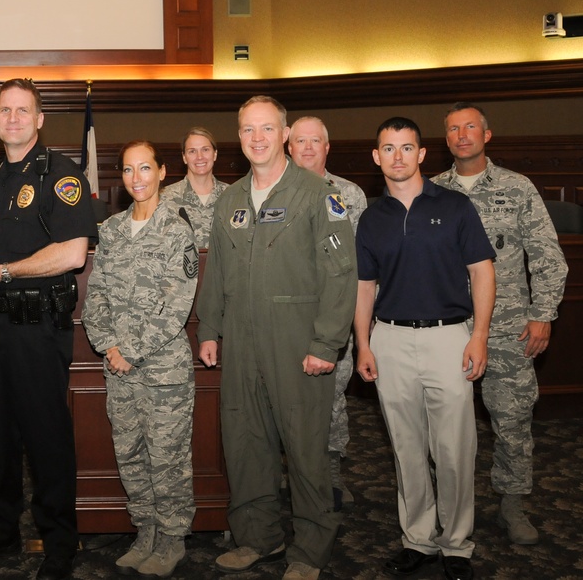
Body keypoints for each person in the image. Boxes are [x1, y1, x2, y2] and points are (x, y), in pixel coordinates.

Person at [196, 95, 357, 580]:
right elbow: (217, 273)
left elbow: (341, 273)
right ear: (239, 137)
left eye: (267, 129)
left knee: (306, 449)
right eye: (248, 130)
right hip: (241, 345)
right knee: (245, 444)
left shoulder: (317, 195)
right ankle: (257, 538)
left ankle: (310, 548)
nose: (258, 138)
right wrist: (210, 328)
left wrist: (326, 344)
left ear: (285, 134)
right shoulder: (229, 200)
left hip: (297, 344)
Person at [0, 78, 97, 580]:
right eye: (5, 111)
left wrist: (8, 271)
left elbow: (72, 252)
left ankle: (60, 539)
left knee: (45, 435)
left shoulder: (61, 175)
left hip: (38, 326)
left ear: (39, 120)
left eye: (23, 111)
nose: (13, 118)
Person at [354, 117, 495, 580]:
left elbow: (482, 273)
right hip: (389, 339)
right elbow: (364, 287)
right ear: (377, 157)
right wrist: (363, 344)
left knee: (454, 449)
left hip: (449, 337)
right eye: (388, 148)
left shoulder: (456, 206)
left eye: (406, 147)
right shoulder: (371, 218)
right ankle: (417, 538)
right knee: (406, 448)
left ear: (421, 154)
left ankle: (456, 545)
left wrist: (479, 336)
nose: (397, 156)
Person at [432, 103, 567, 545]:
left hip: (509, 327)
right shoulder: (431, 191)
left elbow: (548, 256)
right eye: (453, 129)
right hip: (446, 327)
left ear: (486, 135)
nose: (462, 134)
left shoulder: (517, 187)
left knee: (511, 417)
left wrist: (543, 314)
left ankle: (513, 502)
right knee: (443, 423)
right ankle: (447, 502)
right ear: (446, 138)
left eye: (470, 126)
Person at [82, 141, 199, 578]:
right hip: (118, 369)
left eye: (145, 168)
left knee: (167, 458)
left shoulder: (176, 229)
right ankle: (145, 531)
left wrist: (129, 350)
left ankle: (172, 539)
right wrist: (109, 345)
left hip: (163, 370)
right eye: (129, 170)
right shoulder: (110, 229)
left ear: (163, 172)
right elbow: (95, 296)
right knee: (130, 454)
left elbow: (176, 305)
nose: (137, 178)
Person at [287, 115, 367, 510]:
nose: (306, 148)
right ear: (288, 147)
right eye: (299, 141)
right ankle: (289, 473)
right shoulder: (271, 192)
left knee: (332, 399)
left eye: (314, 141)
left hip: (335, 321)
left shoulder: (350, 195)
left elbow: (363, 267)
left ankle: (330, 473)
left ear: (327, 146)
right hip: (285, 319)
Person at [160, 126, 228, 248]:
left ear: (215, 154)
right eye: (192, 151)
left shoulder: (232, 195)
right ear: (184, 157)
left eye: (205, 150)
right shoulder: (165, 198)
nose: (199, 156)